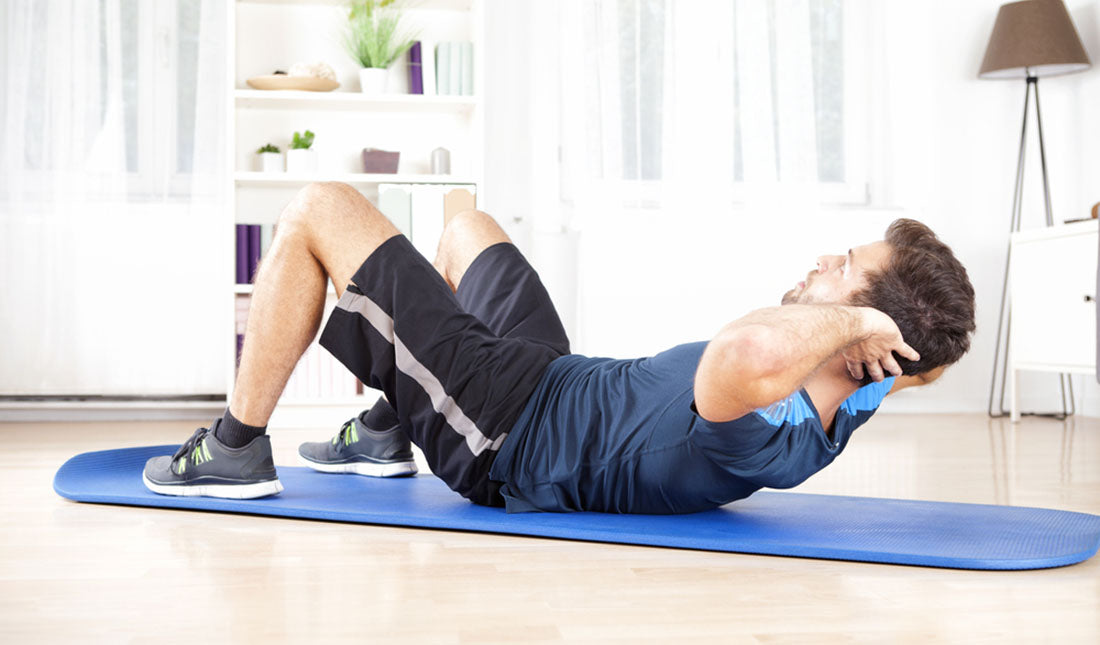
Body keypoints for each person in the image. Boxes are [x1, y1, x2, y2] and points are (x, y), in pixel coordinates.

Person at [142, 182, 976, 513]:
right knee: (468, 225)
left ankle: (235, 449)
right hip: (553, 377)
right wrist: (881, 339)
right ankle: (395, 425)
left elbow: (746, 348)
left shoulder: (768, 409)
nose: (827, 259)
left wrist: (863, 323)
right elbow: (936, 356)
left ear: (865, 324)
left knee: (320, 207)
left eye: (848, 269)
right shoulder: (856, 393)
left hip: (506, 428)